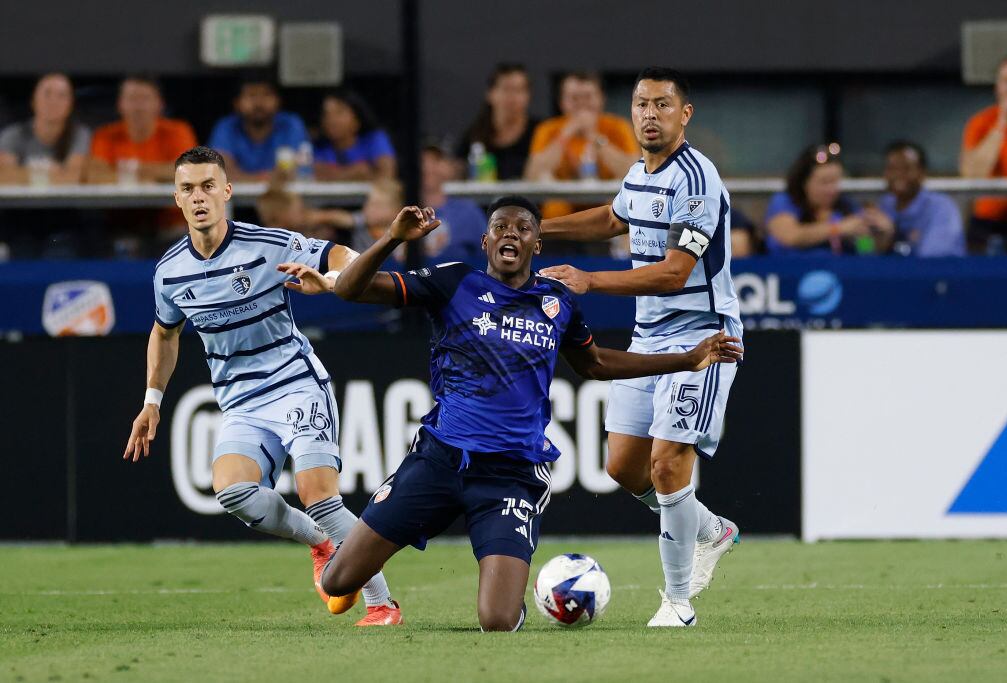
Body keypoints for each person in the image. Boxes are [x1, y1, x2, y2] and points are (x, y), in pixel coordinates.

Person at [277, 195, 742, 631]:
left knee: (496, 622)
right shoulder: (453, 282)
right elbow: (354, 290)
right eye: (500, 226)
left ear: (537, 243)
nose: (511, 234)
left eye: (523, 228)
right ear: (486, 241)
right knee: (338, 582)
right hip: (437, 462)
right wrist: (394, 239)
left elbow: (596, 363)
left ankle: (518, 592)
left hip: (511, 475)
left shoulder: (557, 303)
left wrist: (685, 359)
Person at [123, 146, 402, 627]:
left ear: (227, 192)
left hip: (296, 384)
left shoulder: (266, 243)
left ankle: (382, 604)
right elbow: (165, 332)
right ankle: (319, 542)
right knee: (231, 491)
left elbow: (342, 254)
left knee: (320, 493)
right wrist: (152, 401)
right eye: (188, 188)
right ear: (176, 198)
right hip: (241, 402)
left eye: (208, 186)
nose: (199, 197)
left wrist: (333, 278)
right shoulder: (169, 272)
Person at [538, 67, 746, 628]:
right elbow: (612, 217)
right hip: (650, 337)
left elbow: (676, 273)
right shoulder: (639, 173)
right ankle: (710, 529)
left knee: (667, 462)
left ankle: (677, 603)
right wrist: (539, 229)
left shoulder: (696, 181)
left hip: (704, 338)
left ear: (685, 114)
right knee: (624, 467)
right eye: (640, 105)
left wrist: (588, 280)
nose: (649, 114)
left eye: (661, 104)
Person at [525, 71, 639, 218]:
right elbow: (532, 175)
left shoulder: (619, 127)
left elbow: (635, 174)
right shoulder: (547, 129)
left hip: (607, 204)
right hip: (563, 206)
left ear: (601, 98)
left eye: (588, 97)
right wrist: (566, 133)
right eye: (574, 98)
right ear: (562, 102)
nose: (581, 104)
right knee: (554, 206)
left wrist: (594, 137)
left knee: (623, 206)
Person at [764, 144, 893, 255]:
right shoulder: (785, 201)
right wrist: (838, 228)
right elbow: (790, 236)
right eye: (824, 182)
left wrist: (884, 234)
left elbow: (866, 249)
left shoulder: (847, 207)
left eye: (835, 182)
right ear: (804, 182)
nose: (831, 189)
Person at [960, 56, 1007, 253]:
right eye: (1006, 81)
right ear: (997, 87)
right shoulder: (981, 122)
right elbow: (972, 174)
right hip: (988, 222)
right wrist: (1001, 125)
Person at [87, 75, 197, 183]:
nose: (139, 107)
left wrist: (130, 170)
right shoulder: (105, 135)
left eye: (145, 99)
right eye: (132, 99)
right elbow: (94, 176)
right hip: (120, 201)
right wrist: (155, 176)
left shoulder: (178, 131)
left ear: (160, 104)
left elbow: (190, 171)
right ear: (120, 104)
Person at [208, 75, 309, 181]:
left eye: (266, 95)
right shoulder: (226, 127)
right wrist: (266, 178)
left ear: (278, 101)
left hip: (281, 196)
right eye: (251, 95)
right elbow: (220, 173)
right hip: (237, 196)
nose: (259, 103)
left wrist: (248, 179)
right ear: (236, 103)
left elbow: (299, 172)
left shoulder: (291, 124)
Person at [0, 73, 90, 184]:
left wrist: (26, 172)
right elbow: (5, 177)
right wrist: (51, 172)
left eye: (61, 95)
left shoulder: (80, 134)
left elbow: (72, 178)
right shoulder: (12, 135)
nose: (53, 102)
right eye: (47, 94)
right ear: (33, 101)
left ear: (71, 105)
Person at [879, 141, 965, 257]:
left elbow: (933, 260)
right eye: (892, 168)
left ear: (922, 173)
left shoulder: (941, 207)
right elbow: (863, 250)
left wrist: (894, 236)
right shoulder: (883, 206)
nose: (898, 174)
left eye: (906, 168)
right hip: (889, 274)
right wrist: (872, 244)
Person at [457, 63, 537, 180]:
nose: (512, 97)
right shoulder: (475, 134)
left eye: (519, 90)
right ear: (490, 94)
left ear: (528, 96)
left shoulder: (541, 131)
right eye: (506, 89)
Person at [419, 144, 487, 262]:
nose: (428, 167)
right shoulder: (397, 211)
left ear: (449, 167)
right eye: (422, 161)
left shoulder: (467, 212)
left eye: (435, 160)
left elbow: (489, 254)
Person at [313, 90, 396, 181]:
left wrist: (335, 174)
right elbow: (313, 175)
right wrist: (357, 172)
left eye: (339, 112)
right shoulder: (318, 147)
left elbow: (386, 175)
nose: (331, 119)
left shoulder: (374, 139)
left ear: (357, 119)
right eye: (326, 114)